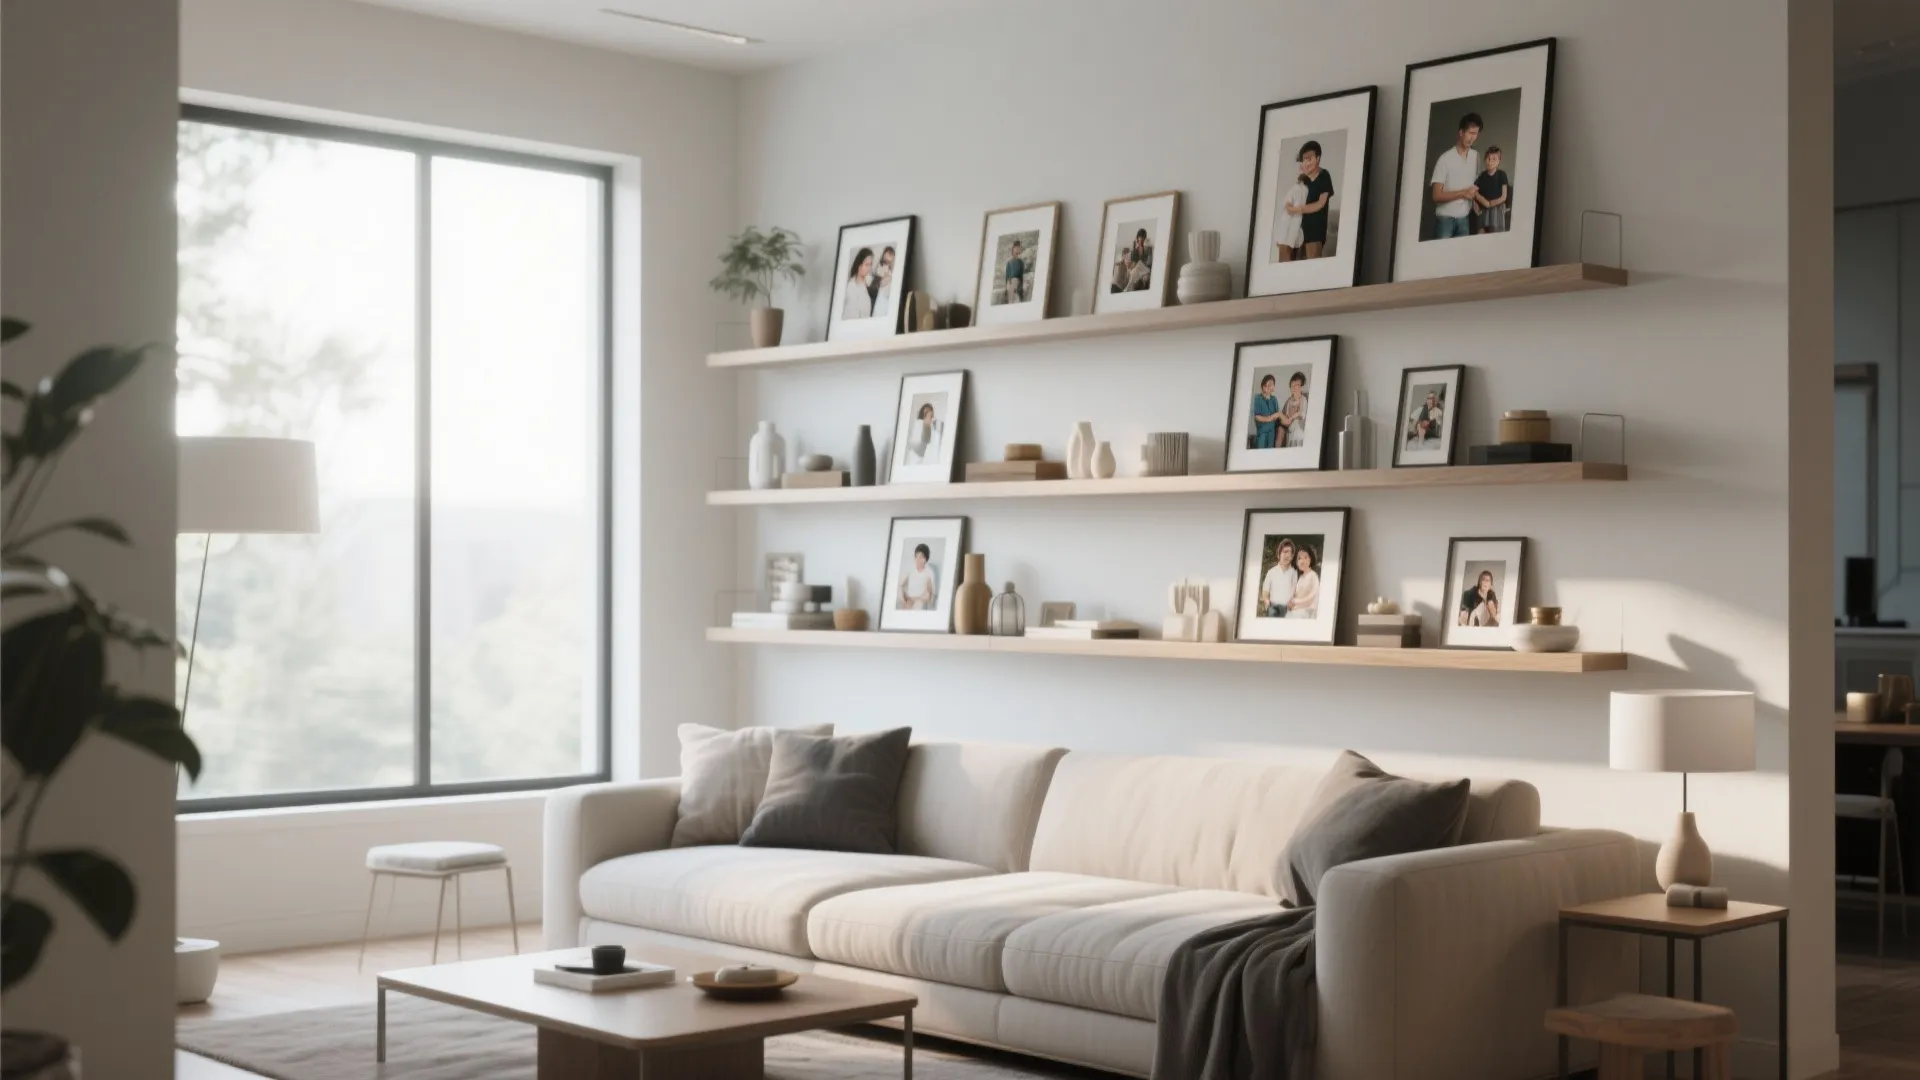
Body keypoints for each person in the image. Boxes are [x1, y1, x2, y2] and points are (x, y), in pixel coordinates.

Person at [1429, 112, 1482, 240]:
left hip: (1465, 219)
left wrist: (1476, 200)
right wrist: (1463, 193)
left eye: (1476, 134)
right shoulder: (1445, 159)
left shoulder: (1476, 156)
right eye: (1470, 133)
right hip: (1445, 220)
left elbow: (1475, 185)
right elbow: (1436, 196)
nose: (1472, 138)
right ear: (1461, 132)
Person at [1285, 141, 1335, 259]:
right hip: (1299, 232)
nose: (1306, 163)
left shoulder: (1324, 175)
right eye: (1304, 160)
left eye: (1309, 159)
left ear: (1317, 158)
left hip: (1315, 234)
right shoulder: (1303, 179)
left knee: (1312, 269)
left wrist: (1296, 209)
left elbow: (1320, 204)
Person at [1474, 146, 1511, 234]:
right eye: (1488, 158)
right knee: (1481, 234)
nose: (1490, 162)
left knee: (1495, 235)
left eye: (1494, 159)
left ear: (1499, 161)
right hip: (1483, 209)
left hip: (1497, 209)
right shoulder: (1482, 175)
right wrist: (1475, 205)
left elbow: (1503, 197)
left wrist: (1490, 204)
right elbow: (1474, 191)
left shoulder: (1501, 174)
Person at [1259, 539, 1297, 618]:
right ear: (1278, 554)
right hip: (1273, 608)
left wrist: (1291, 604)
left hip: (1288, 610)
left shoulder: (1294, 573)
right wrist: (1267, 603)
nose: (1286, 555)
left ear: (1292, 556)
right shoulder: (1271, 572)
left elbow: (1295, 592)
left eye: (1289, 552)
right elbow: (1265, 592)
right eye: (1284, 552)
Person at [1275, 171, 1307, 262]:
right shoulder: (1306, 192)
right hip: (1296, 232)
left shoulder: (1295, 189)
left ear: (1300, 180)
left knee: (1283, 261)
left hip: (1286, 231)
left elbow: (1287, 207)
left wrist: (1278, 237)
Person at [898, 543, 937, 610]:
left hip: (920, 601)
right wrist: (904, 600)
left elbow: (928, 596)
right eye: (916, 557)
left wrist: (914, 599)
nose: (918, 560)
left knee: (919, 605)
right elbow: (900, 585)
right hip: (908, 600)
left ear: (925, 559)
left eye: (921, 557)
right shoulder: (909, 569)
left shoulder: (929, 573)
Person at [1287, 543, 1321, 619]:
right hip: (1296, 612)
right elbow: (1295, 595)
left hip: (1308, 612)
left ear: (1310, 559)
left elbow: (1313, 596)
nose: (1302, 561)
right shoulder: (1300, 578)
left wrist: (1296, 601)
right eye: (1299, 558)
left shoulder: (1313, 575)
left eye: (1305, 557)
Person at [841, 247, 875, 320]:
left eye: (870, 265)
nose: (869, 268)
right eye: (866, 265)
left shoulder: (868, 281)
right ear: (859, 266)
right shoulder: (852, 287)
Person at [1250, 374, 1282, 449]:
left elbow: (1277, 415)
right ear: (1263, 386)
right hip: (1262, 432)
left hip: (1272, 432)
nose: (1270, 386)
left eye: (1272, 384)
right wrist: (1270, 418)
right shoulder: (1258, 398)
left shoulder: (1274, 399)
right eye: (1268, 384)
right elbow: (1257, 416)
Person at [1279, 371, 1309, 449]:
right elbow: (1284, 419)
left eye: (1297, 385)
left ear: (1301, 387)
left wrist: (1291, 418)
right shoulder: (1288, 402)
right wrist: (1284, 420)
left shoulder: (1303, 399)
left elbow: (1302, 414)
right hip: (1290, 433)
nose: (1294, 387)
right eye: (1292, 385)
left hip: (1300, 434)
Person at [870, 246, 897, 314]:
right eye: (889, 254)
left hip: (886, 295)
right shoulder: (881, 266)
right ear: (884, 255)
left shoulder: (889, 268)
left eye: (892, 255)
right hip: (882, 296)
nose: (891, 257)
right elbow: (881, 283)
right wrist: (890, 278)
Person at [1003, 239, 1027, 305]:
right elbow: (1007, 277)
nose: (1017, 250)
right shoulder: (1009, 262)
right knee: (1011, 283)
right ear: (1013, 249)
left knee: (1014, 280)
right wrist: (1007, 287)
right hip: (1010, 285)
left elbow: (1021, 276)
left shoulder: (1021, 262)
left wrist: (1020, 287)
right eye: (1015, 248)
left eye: (1018, 248)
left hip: (1017, 284)